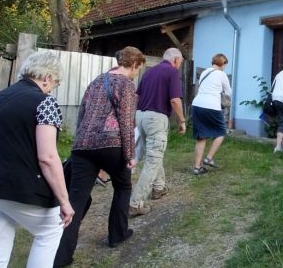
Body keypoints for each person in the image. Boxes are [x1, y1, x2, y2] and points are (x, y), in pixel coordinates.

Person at [54, 46, 145, 266]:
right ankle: (117, 234)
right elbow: (125, 121)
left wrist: (78, 144)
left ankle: (60, 257)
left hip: (83, 146)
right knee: (123, 187)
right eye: (138, 69)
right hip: (111, 144)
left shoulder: (96, 81)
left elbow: (82, 114)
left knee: (76, 199)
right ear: (133, 65)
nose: (136, 73)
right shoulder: (126, 85)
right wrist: (130, 154)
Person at [0, 51, 74, 267]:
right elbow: (48, 157)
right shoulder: (45, 103)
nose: (54, 87)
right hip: (23, 188)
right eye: (55, 82)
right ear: (47, 78)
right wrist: (64, 201)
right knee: (50, 229)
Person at [129, 48, 186, 217]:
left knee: (154, 154)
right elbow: (175, 100)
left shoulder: (149, 72)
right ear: (175, 59)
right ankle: (135, 203)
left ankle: (159, 188)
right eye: (180, 62)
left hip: (141, 115)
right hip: (156, 118)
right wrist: (182, 121)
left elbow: (137, 97)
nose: (180, 65)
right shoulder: (172, 72)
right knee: (153, 161)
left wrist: (134, 118)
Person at [191, 53, 232, 175]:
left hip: (197, 105)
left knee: (201, 136)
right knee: (221, 131)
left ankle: (197, 168)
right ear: (222, 63)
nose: (225, 67)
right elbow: (229, 92)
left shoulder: (204, 72)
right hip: (212, 106)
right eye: (225, 64)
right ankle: (208, 158)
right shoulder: (222, 74)